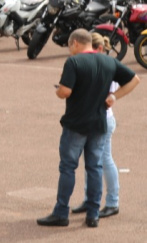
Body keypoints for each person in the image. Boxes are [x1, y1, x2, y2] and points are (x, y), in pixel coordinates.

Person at [37, 29, 139, 229]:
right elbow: (134, 79)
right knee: (94, 167)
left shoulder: (73, 62)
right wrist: (114, 96)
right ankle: (93, 214)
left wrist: (59, 90)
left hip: (76, 123)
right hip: (99, 122)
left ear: (75, 43)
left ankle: (61, 212)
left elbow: (65, 91)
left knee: (68, 167)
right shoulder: (108, 61)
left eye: (69, 46)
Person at [71, 33, 123, 219]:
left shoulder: (107, 65)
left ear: (98, 49)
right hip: (92, 118)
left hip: (103, 119)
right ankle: (89, 199)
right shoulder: (100, 64)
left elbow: (121, 85)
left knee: (105, 159)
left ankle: (112, 202)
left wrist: (113, 97)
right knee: (91, 162)